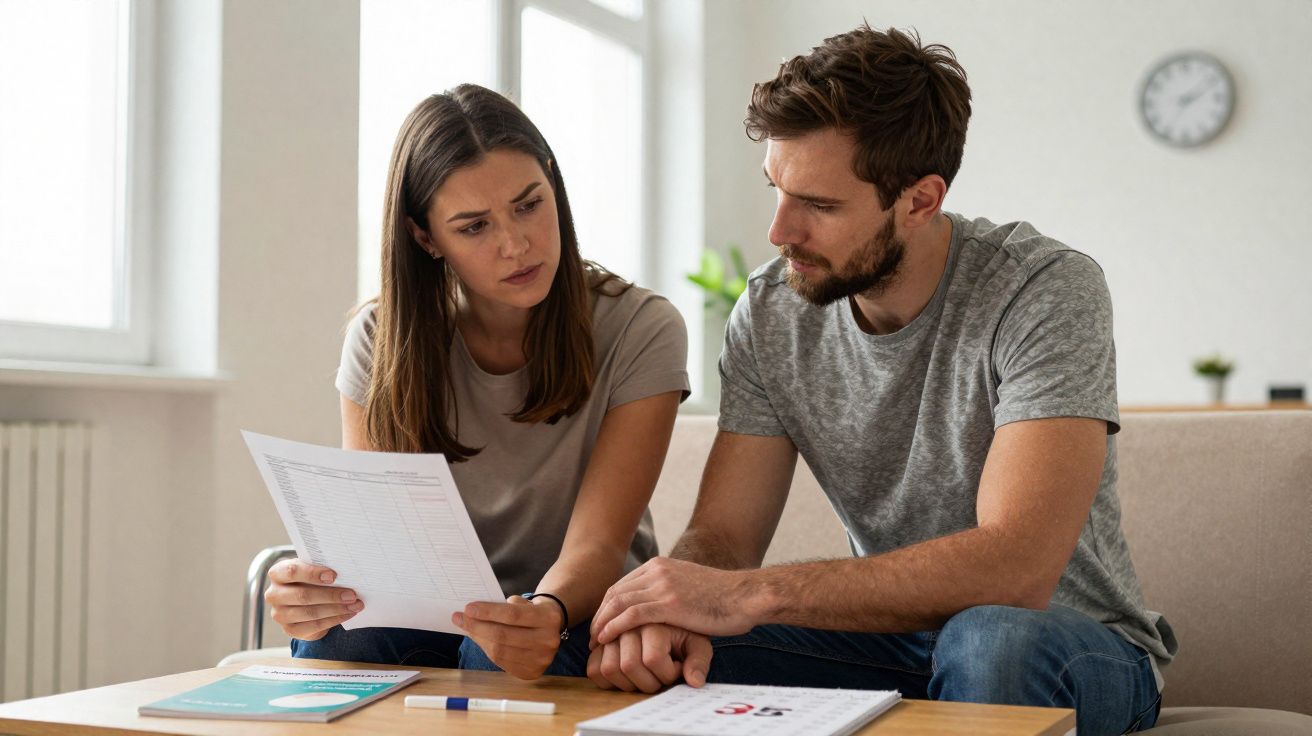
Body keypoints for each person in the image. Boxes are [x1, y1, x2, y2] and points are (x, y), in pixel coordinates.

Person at [586, 25, 1177, 736]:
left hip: (1066, 645)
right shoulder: (771, 311)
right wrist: (671, 608)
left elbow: (1017, 569)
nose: (779, 230)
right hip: (883, 645)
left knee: (990, 639)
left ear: (920, 200)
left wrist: (753, 595)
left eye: (819, 205)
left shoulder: (1042, 289)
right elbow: (723, 537)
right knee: (594, 643)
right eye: (776, 189)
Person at [264, 84, 689, 680]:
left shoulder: (642, 327)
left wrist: (543, 612)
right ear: (425, 238)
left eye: (529, 205)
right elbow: (376, 545)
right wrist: (314, 597)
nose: (516, 244)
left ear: (552, 183)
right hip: (434, 614)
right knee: (338, 644)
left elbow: (598, 547)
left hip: (578, 609)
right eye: (473, 227)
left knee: (490, 655)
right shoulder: (379, 339)